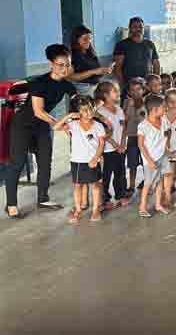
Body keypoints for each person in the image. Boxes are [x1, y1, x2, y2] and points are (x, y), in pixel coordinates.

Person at [5, 44, 78, 217]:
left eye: (67, 65)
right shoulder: (39, 82)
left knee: (45, 161)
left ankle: (43, 198)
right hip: (23, 124)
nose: (64, 68)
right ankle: (11, 204)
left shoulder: (67, 85)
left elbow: (78, 104)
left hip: (41, 126)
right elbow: (39, 111)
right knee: (17, 163)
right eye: (60, 65)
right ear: (51, 64)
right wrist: (61, 124)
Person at [54, 95, 106, 223]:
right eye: (84, 110)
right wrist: (69, 116)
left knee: (95, 185)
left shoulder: (98, 126)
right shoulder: (73, 124)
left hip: (92, 161)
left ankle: (95, 210)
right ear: (79, 111)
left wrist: (96, 158)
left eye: (90, 110)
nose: (88, 113)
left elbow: (101, 144)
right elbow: (55, 127)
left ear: (94, 109)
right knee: (77, 185)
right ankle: (77, 210)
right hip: (77, 161)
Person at [95, 81, 130, 209]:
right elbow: (103, 132)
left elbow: (123, 127)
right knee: (106, 175)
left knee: (120, 173)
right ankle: (105, 199)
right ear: (105, 95)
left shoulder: (119, 109)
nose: (118, 93)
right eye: (115, 91)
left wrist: (122, 143)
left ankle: (120, 195)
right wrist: (115, 144)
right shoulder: (100, 112)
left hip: (120, 148)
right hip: (107, 150)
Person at [137, 93, 169, 218]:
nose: (165, 109)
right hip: (150, 160)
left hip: (161, 156)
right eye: (163, 107)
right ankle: (142, 207)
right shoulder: (143, 126)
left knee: (160, 181)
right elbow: (141, 145)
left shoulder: (164, 120)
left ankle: (158, 204)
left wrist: (166, 149)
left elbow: (166, 134)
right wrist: (149, 161)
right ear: (154, 110)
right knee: (148, 184)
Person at [113, 16, 160, 93]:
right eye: (135, 27)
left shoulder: (150, 44)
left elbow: (156, 64)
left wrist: (155, 83)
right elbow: (117, 68)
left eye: (140, 27)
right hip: (131, 87)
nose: (138, 29)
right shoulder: (121, 45)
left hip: (147, 86)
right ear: (130, 28)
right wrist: (124, 87)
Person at [67, 25, 111, 96]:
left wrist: (103, 71)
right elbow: (71, 77)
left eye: (90, 38)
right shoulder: (71, 55)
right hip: (83, 89)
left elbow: (95, 73)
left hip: (95, 87)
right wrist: (92, 72)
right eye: (85, 38)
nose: (88, 41)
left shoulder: (90, 52)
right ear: (76, 39)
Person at [124, 77, 146, 193]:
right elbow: (124, 119)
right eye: (132, 90)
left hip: (145, 137)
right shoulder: (127, 102)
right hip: (132, 136)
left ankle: (146, 181)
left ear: (143, 90)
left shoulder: (147, 102)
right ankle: (131, 185)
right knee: (132, 163)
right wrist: (129, 106)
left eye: (138, 89)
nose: (135, 92)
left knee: (144, 161)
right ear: (129, 92)